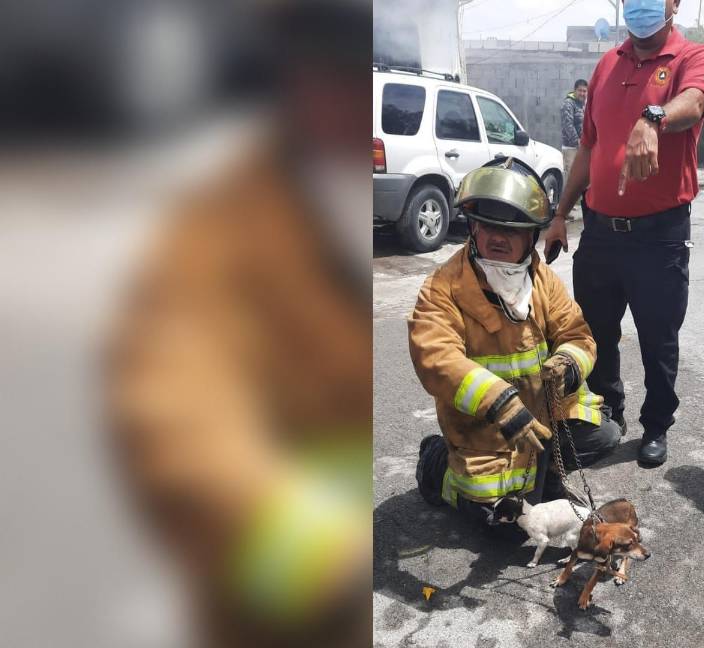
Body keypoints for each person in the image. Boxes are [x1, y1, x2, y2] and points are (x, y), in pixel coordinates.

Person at [105, 2, 373, 645]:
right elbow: (170, 407)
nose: (348, 102)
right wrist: (322, 545)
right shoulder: (217, 227)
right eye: (331, 75)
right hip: (283, 597)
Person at [542, 0, 704, 466]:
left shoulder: (693, 57)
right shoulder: (606, 64)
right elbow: (587, 147)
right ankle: (608, 412)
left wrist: (654, 117)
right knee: (595, 333)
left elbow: (695, 101)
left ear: (674, 3)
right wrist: (561, 214)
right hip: (600, 232)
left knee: (657, 338)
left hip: (659, 235)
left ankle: (657, 424)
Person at [411, 157, 621, 535]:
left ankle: (546, 475)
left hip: (542, 415)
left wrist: (569, 366)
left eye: (511, 229)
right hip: (484, 428)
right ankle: (436, 465)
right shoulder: (444, 288)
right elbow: (434, 356)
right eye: (486, 225)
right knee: (507, 530)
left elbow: (577, 335)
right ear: (472, 227)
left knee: (605, 434)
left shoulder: (542, 280)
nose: (496, 237)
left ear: (531, 235)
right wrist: (498, 401)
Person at [560, 79, 588, 186]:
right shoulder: (568, 104)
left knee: (582, 176)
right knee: (571, 176)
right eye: (580, 91)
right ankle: (567, 202)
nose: (582, 93)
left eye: (584, 91)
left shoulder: (584, 104)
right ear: (575, 91)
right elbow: (568, 125)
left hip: (582, 147)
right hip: (571, 148)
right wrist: (577, 141)